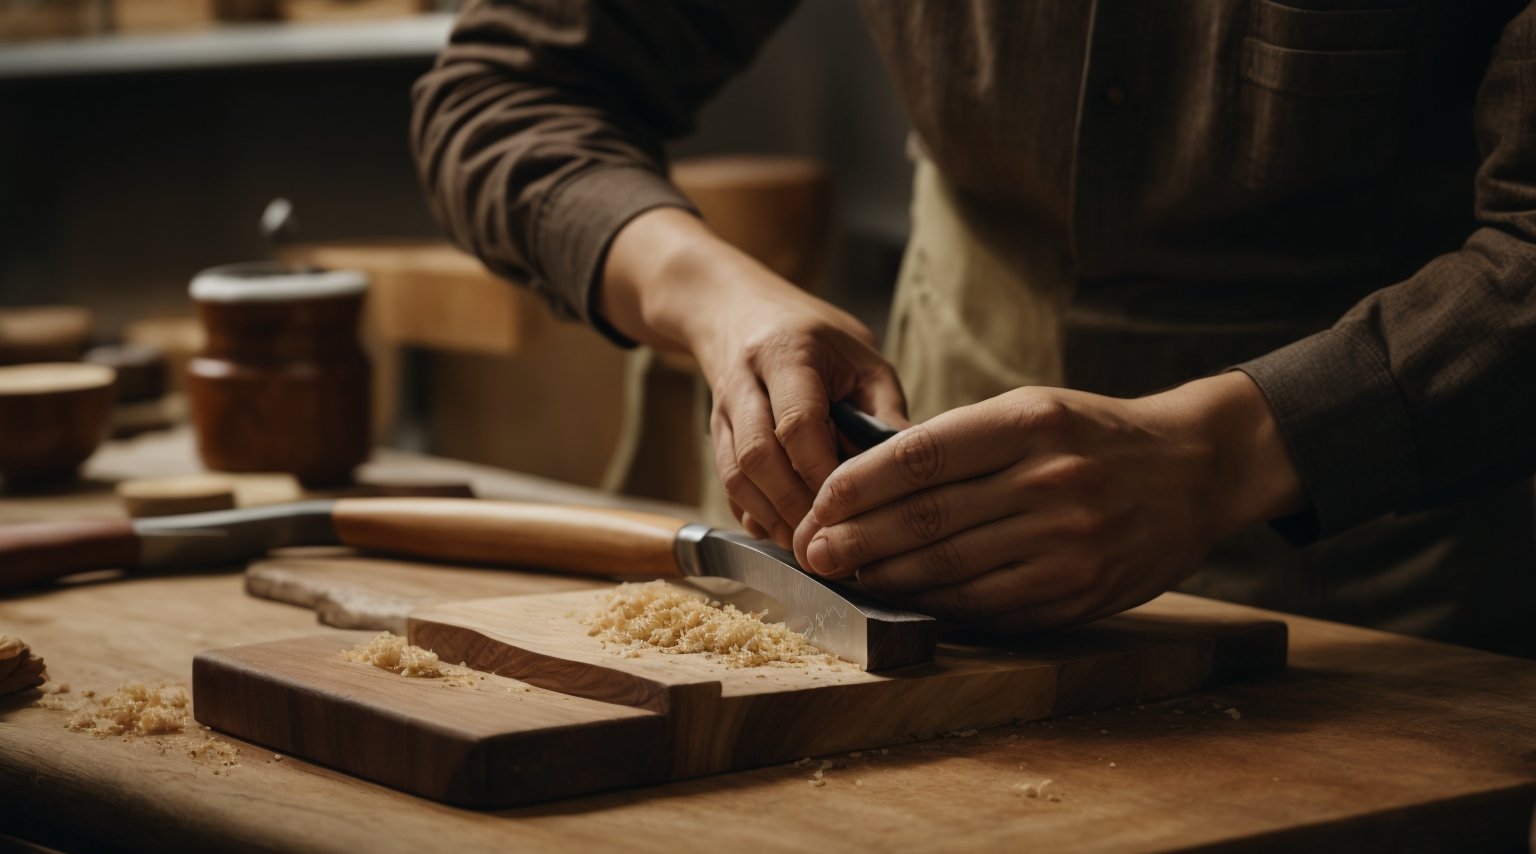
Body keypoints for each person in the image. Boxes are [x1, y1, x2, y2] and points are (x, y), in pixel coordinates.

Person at [411, 1, 1536, 655]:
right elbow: (505, 88)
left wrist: (1222, 454)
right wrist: (716, 301)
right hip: (922, 566)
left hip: (1402, 566)